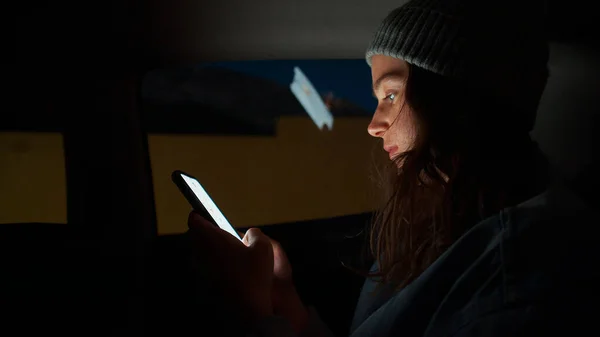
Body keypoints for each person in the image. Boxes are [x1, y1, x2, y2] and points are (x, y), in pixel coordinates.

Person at [186, 0, 598, 336]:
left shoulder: (519, 276)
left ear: (457, 102)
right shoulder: (437, 218)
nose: (373, 125)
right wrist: (287, 304)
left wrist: (252, 318)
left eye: (391, 95)